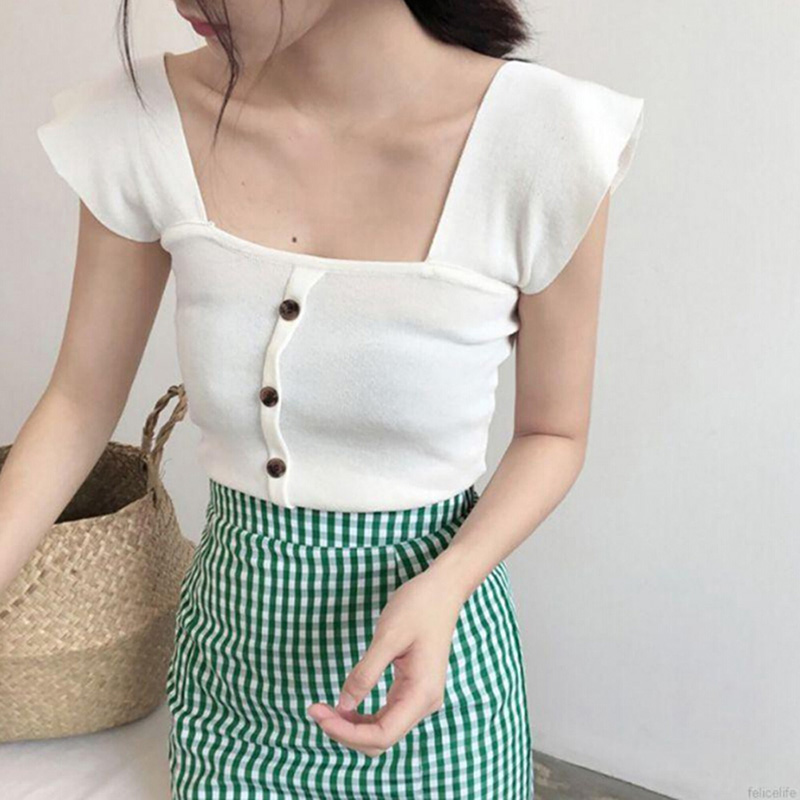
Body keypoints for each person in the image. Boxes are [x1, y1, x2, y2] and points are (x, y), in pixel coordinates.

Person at [1, 0, 644, 797]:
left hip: (435, 683)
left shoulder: (545, 141)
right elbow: (77, 403)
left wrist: (447, 585)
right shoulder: (144, 123)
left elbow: (553, 432)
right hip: (229, 691)